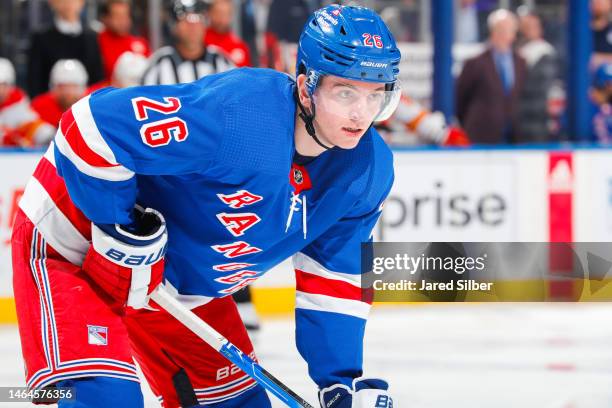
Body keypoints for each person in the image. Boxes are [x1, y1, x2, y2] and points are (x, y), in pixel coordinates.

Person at [12, 4, 398, 408]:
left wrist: (339, 384)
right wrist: (119, 223)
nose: (361, 114)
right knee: (108, 399)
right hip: (74, 246)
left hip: (178, 291)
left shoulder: (365, 173)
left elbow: (334, 278)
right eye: (346, 92)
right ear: (306, 87)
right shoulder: (239, 116)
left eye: (376, 95)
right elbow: (90, 126)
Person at [456, 8, 527, 144]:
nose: (507, 34)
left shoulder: (520, 62)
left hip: (512, 136)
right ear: (493, 31)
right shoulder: (475, 63)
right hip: (481, 135)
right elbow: (460, 99)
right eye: (503, 29)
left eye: (510, 30)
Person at [141, 0, 234, 85]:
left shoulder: (220, 60)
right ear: (174, 27)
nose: (192, 27)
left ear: (205, 25)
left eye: (197, 19)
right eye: (185, 20)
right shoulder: (160, 62)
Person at [27, 0, 103, 97]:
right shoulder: (41, 38)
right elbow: (35, 81)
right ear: (52, 2)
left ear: (82, 2)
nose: (69, 3)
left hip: (85, 106)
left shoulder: (92, 38)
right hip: (51, 107)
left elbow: (97, 78)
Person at [516, 10, 558, 142]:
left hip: (536, 118)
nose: (529, 30)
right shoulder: (516, 48)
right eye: (525, 26)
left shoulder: (544, 51)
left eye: (533, 26)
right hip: (517, 117)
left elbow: (537, 87)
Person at [0, 58, 55, 146]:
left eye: (4, 85)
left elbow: (38, 129)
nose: (1, 90)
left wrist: (49, 136)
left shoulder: (19, 107)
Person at [98, 0, 151, 80]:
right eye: (117, 16)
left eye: (126, 15)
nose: (122, 21)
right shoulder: (97, 42)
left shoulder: (141, 43)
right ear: (106, 18)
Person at [31, 59, 88, 128]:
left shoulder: (92, 108)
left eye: (73, 86)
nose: (68, 92)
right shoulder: (38, 107)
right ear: (53, 88)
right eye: (62, 87)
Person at [204, 0, 252, 67]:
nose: (222, 18)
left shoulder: (240, 46)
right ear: (209, 13)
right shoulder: (201, 41)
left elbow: (247, 75)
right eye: (218, 13)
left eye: (226, 14)